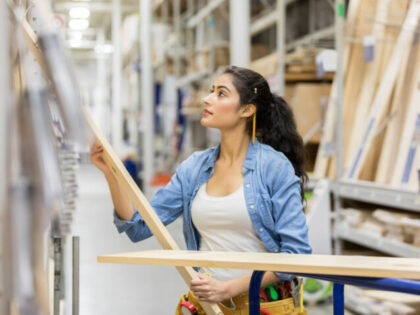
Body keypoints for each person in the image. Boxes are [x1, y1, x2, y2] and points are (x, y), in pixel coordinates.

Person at [90, 66, 311, 314]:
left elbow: (296, 254)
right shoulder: (194, 168)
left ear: (247, 110)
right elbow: (138, 226)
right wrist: (111, 174)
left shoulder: (274, 168)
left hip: (262, 306)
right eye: (211, 91)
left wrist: (229, 288)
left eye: (221, 93)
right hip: (208, 306)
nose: (207, 98)